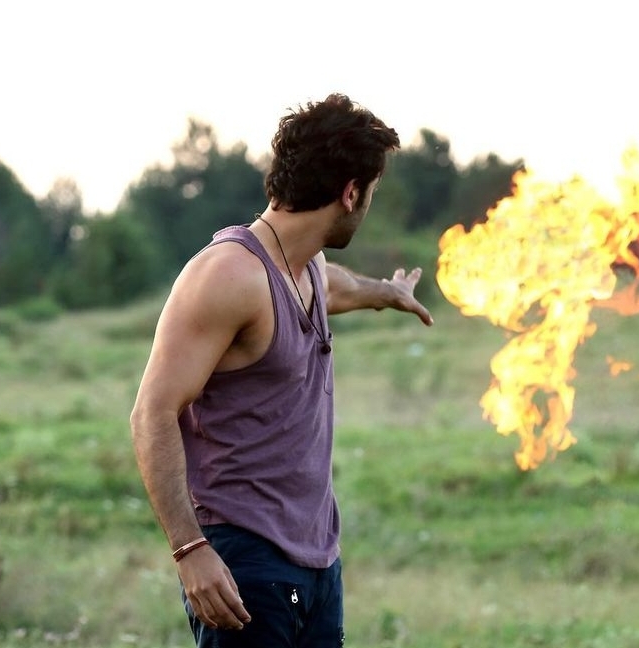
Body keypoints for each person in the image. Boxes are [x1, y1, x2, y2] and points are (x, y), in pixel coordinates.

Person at [130, 93, 433, 648]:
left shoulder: (306, 265)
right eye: (370, 193)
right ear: (350, 193)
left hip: (317, 560)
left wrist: (387, 293)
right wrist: (189, 550)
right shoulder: (227, 276)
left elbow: (336, 283)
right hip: (246, 560)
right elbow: (152, 413)